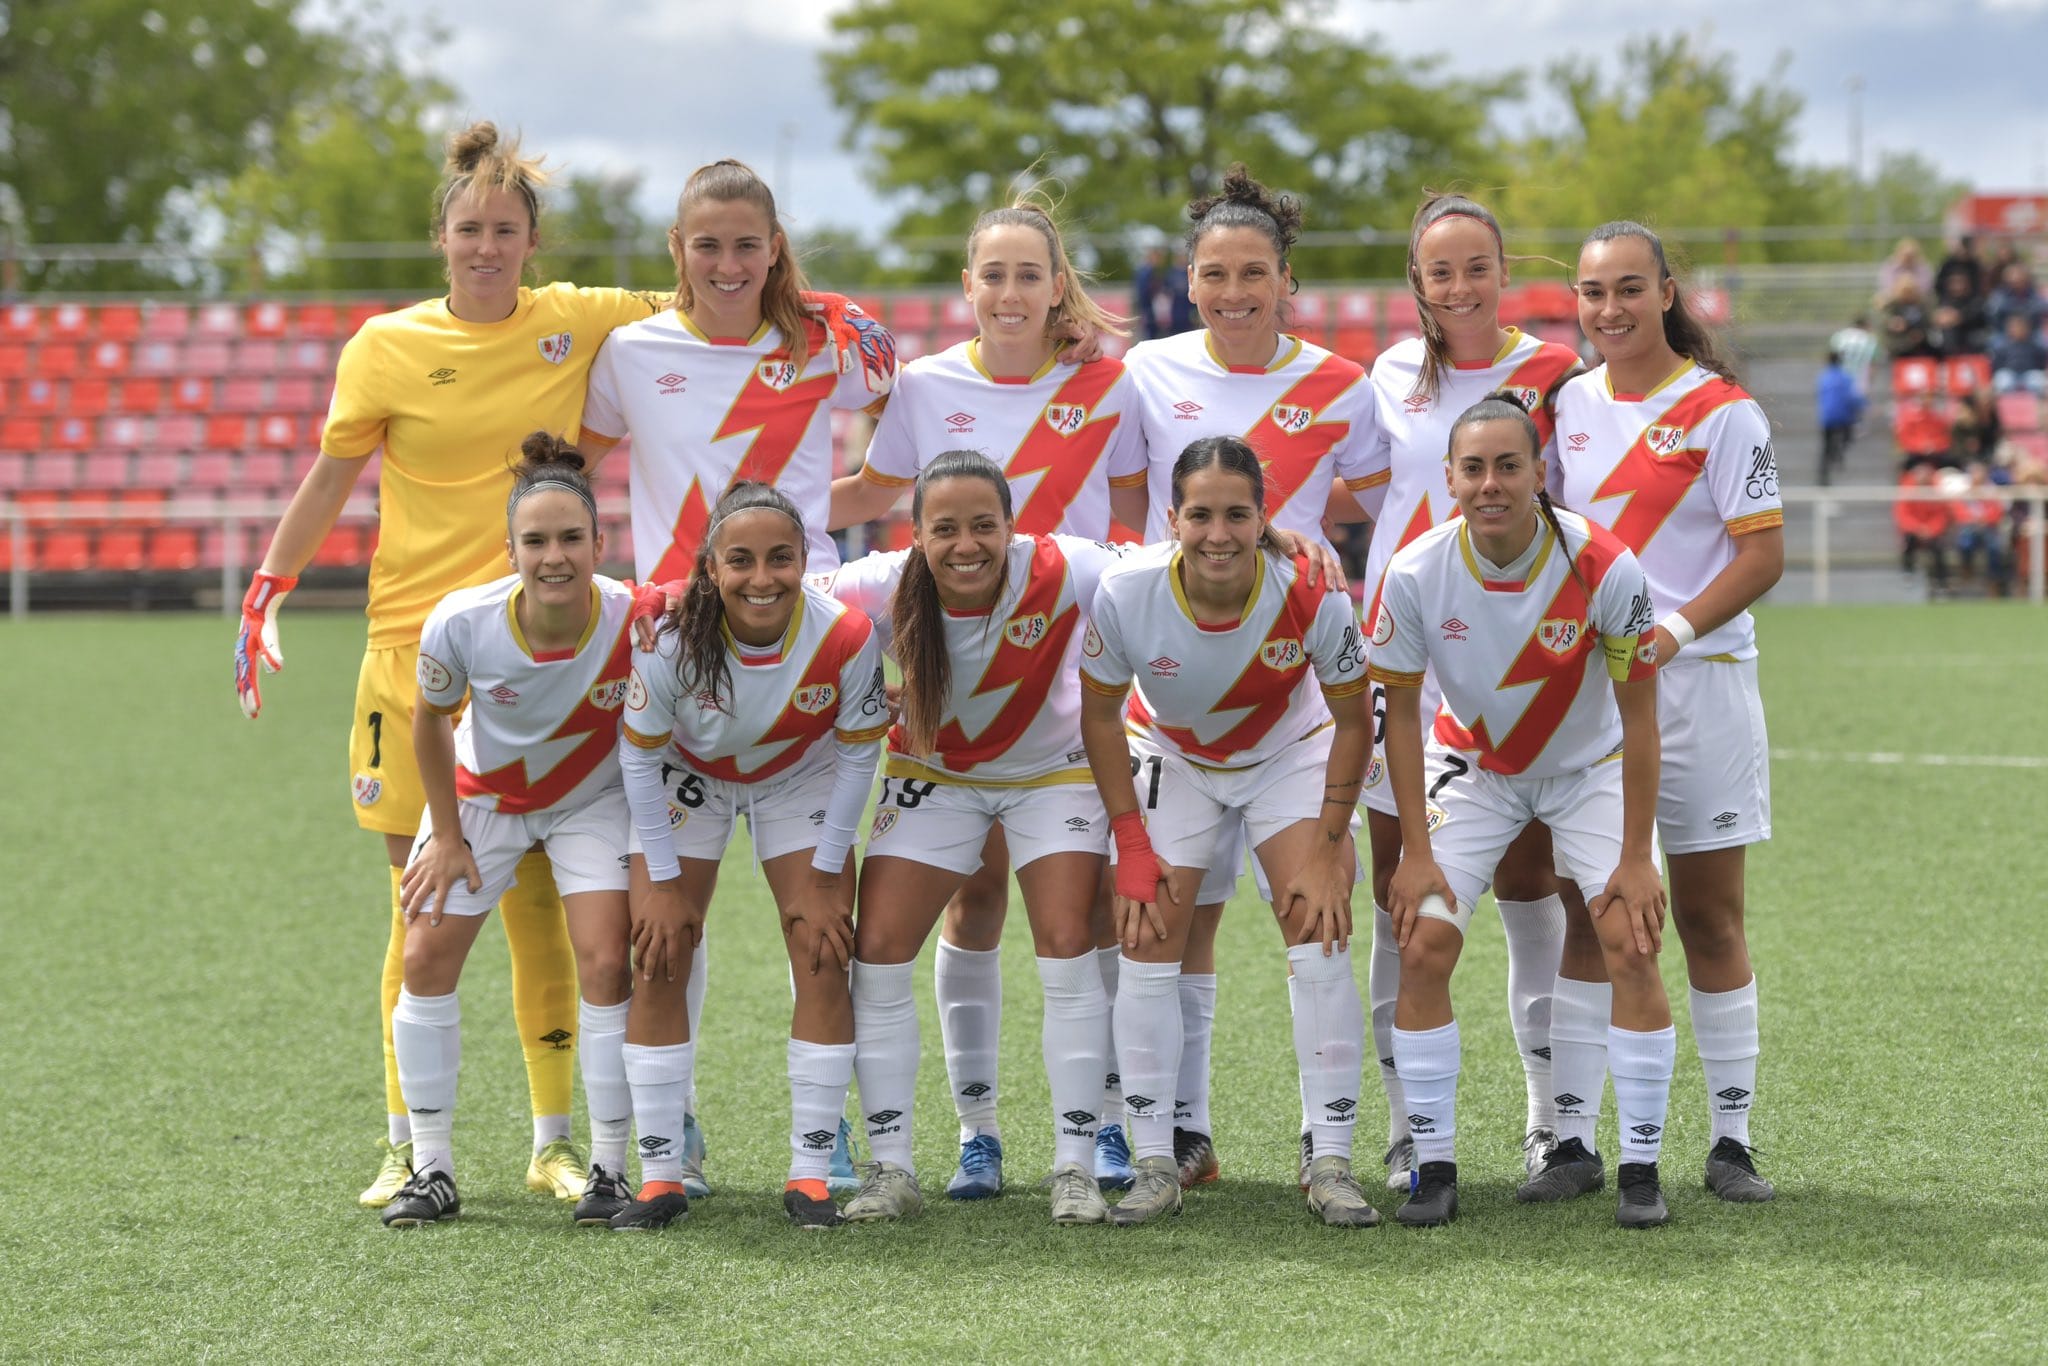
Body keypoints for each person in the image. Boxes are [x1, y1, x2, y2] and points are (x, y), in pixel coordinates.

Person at [235, 122, 665, 1208]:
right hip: (410, 654)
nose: (486, 245)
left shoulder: (577, 318)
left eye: (505, 230)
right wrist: (270, 584)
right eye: (468, 228)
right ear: (440, 237)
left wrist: (820, 316)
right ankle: (403, 1143)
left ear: (531, 241)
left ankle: (555, 1142)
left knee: (545, 911)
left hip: (550, 653)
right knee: (417, 900)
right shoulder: (381, 344)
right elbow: (330, 481)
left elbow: (716, 296)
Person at [577, 158, 898, 1195]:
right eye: (705, 245)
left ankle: (823, 1141)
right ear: (677, 251)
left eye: (746, 246)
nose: (726, 264)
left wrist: (828, 540)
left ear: (775, 251)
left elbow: (912, 412)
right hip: (679, 666)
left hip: (800, 653)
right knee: (662, 935)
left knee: (818, 933)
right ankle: (673, 1142)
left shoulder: (823, 346)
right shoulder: (630, 353)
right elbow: (577, 474)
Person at [827, 194, 1141, 1200]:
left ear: (1058, 287)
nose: (1008, 293)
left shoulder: (1109, 384)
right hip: (947, 692)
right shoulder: (920, 385)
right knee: (967, 898)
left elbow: (1133, 532)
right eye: (989, 275)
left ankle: (1097, 1137)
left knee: (1079, 913)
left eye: (1027, 274)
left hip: (1064, 683)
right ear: (965, 288)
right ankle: (975, 1134)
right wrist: (757, 520)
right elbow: (874, 501)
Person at [1117, 165, 1380, 1193]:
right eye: (1214, 273)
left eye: (1253, 274)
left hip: (1292, 699)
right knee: (1167, 923)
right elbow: (1118, 501)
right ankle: (1176, 1137)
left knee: (1314, 915)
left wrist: (1318, 567)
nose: (1234, 292)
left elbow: (1375, 494)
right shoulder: (1142, 371)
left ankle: (1329, 1148)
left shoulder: (1340, 386)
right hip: (1174, 698)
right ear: (1188, 279)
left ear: (1286, 280)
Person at [1370, 393, 1672, 1229]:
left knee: (1629, 936)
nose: (1491, 483)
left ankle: (1641, 1169)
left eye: (1509, 466)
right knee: (1424, 940)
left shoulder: (1606, 567)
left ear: (1541, 475)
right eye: (1474, 468)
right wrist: (1415, 854)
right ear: (1451, 478)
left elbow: (1641, 720)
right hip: (1474, 770)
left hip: (1589, 770)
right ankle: (1434, 1163)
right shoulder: (1414, 571)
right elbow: (1398, 717)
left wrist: (1638, 856)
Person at [1336, 192, 1585, 1194]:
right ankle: (1408, 1128)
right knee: (1400, 885)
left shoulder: (1556, 376)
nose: (1458, 287)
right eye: (1438, 271)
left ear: (1501, 269)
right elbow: (1359, 488)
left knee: (1527, 885)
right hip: (1400, 653)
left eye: (1475, 266)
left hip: (1512, 658)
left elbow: (1577, 509)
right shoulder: (1387, 374)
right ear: (1416, 283)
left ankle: (1542, 1122)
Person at [820, 451, 1130, 1227]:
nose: (967, 545)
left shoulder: (1070, 566)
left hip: (1051, 773)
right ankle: (918, 1158)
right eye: (946, 529)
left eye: (984, 526)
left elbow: (1170, 567)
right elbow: (765, 595)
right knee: (882, 946)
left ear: (1011, 527)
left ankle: (1075, 1161)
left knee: (1065, 935)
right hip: (938, 775)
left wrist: (1287, 547)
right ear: (915, 535)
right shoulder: (877, 584)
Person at [1078, 435, 1375, 1228]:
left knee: (1319, 926)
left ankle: (1332, 1157)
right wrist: (1131, 847)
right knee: (1145, 936)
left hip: (1290, 751)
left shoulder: (1310, 589)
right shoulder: (1126, 589)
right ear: (1170, 518)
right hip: (1171, 750)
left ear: (1263, 517)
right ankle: (1154, 1162)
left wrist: (1327, 842)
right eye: (1200, 514)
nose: (1218, 533)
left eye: (1237, 514)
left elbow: (1354, 722)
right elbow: (1101, 719)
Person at [1547, 220, 1784, 1205]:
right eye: (1592, 292)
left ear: (1666, 292)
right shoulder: (1561, 404)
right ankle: (1568, 1139)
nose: (1609, 309)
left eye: (1628, 289)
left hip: (1697, 686)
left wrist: (1671, 632)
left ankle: (1729, 1141)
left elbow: (1759, 554)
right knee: (1587, 912)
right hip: (1588, 696)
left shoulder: (1724, 413)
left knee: (1706, 916)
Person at [614, 482, 891, 1231]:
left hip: (799, 775)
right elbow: (637, 761)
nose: (761, 578)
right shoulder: (670, 638)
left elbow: (862, 758)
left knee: (825, 949)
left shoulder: (846, 634)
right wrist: (665, 886)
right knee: (659, 950)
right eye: (740, 560)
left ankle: (811, 1172)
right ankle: (661, 1174)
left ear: (808, 559)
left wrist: (830, 871)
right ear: (709, 567)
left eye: (780, 558)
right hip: (687, 776)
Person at [382, 436, 638, 1228]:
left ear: (601, 543)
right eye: (535, 541)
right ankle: (431, 1170)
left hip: (591, 803)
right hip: (480, 799)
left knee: (606, 960)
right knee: (423, 950)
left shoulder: (638, 617)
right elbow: (430, 724)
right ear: (510, 549)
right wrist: (448, 838)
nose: (553, 557)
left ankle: (609, 1171)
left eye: (570, 539)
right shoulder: (461, 622)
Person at [1816, 350, 1865, 485]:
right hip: (1843, 417)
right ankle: (1838, 453)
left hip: (1827, 417)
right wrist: (1861, 408)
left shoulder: (1823, 377)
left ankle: (1823, 476)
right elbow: (1852, 398)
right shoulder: (1846, 377)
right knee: (1848, 437)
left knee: (1826, 447)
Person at [1991, 312, 2048, 395]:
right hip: (2010, 374)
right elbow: (1997, 365)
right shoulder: (2002, 346)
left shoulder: (2035, 345)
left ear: (2028, 328)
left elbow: (2041, 363)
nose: (2018, 329)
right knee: (2002, 380)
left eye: (2021, 326)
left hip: (2029, 374)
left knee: (2039, 381)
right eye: (2014, 327)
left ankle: (2039, 406)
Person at [1829, 314, 1879, 401]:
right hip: (1860, 382)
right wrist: (1869, 383)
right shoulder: (1870, 340)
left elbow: (1831, 359)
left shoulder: (1839, 336)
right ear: (1865, 325)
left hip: (1839, 381)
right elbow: (1872, 365)